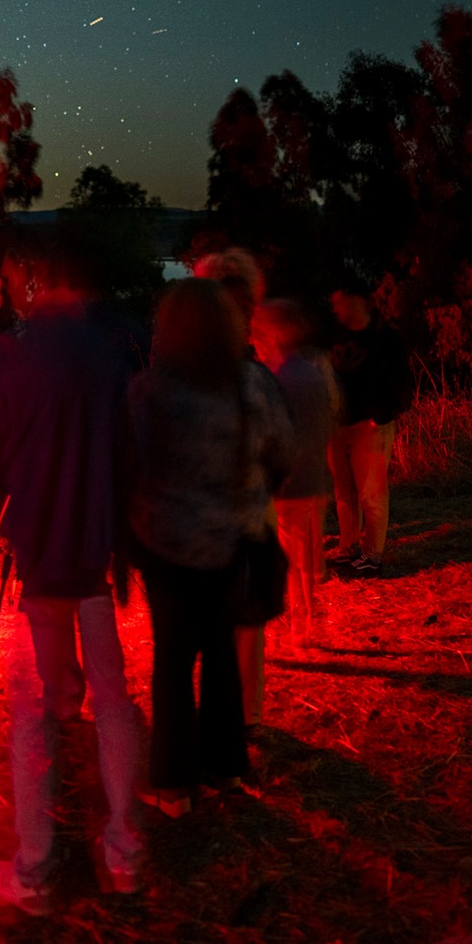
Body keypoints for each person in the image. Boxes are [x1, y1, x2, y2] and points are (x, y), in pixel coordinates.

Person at [0, 232, 145, 914]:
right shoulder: (117, 351)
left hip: (36, 553)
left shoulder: (7, 355)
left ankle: (35, 866)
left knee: (31, 711)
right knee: (113, 692)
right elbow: (133, 450)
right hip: (95, 552)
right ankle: (123, 848)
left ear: (41, 281)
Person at [127, 279, 296, 818]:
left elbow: (128, 465)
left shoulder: (151, 391)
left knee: (173, 660)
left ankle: (173, 784)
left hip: (165, 545)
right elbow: (284, 454)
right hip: (234, 540)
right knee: (222, 651)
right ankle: (225, 765)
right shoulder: (253, 385)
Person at [191, 246, 279, 733]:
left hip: (225, 525)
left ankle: (238, 721)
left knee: (233, 627)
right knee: (233, 628)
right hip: (234, 522)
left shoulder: (233, 379)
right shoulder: (253, 380)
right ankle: (240, 720)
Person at [256, 298, 338, 649]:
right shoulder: (309, 373)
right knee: (304, 558)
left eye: (262, 331)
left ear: (278, 333)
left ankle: (301, 626)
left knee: (294, 560)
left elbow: (280, 433)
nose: (256, 339)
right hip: (311, 478)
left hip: (292, 483)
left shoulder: (284, 378)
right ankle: (305, 622)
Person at [327, 278, 414, 579]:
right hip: (339, 425)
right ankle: (349, 547)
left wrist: (382, 415)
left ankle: (372, 556)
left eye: (341, 301)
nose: (336, 308)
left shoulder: (384, 337)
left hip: (370, 425)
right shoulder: (334, 334)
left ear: (359, 301)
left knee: (371, 493)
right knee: (344, 492)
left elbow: (403, 383)